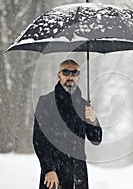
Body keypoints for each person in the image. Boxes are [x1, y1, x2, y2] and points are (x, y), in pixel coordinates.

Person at [33, 59, 102, 189]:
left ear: (79, 76)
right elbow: (39, 139)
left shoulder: (84, 105)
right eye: (66, 72)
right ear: (59, 75)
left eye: (74, 73)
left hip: (78, 176)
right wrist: (48, 169)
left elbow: (96, 139)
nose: (70, 76)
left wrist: (93, 121)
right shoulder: (46, 102)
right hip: (54, 175)